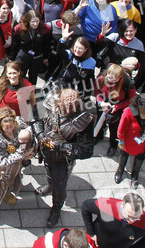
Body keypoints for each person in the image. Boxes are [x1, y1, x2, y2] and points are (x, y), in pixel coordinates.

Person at [34, 87, 96, 228]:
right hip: (45, 149)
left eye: (73, 103)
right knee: (48, 171)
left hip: (62, 159)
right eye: (66, 103)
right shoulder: (50, 102)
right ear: (60, 100)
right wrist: (40, 135)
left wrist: (62, 146)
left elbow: (86, 150)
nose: (69, 106)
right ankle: (49, 186)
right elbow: (36, 120)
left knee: (59, 185)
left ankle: (56, 208)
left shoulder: (84, 119)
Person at [0, 107, 35, 222]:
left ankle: (5, 193)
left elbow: (29, 133)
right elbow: (2, 161)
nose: (10, 130)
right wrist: (22, 154)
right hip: (2, 169)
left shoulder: (19, 123)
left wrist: (30, 150)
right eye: (6, 128)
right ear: (0, 126)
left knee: (11, 181)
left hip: (16, 165)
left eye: (11, 126)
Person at [114, 93, 145, 186]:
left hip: (144, 142)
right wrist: (121, 141)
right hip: (129, 140)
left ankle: (135, 174)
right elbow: (121, 129)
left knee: (140, 157)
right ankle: (120, 170)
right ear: (142, 108)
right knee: (124, 154)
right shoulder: (128, 112)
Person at [80, 192, 145, 248]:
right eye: (128, 216)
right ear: (122, 206)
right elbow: (86, 207)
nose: (131, 220)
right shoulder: (108, 207)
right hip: (95, 243)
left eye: (136, 217)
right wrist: (91, 233)